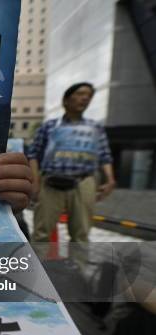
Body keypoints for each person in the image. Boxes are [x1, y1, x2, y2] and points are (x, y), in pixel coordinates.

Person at [28, 82, 116, 244]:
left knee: (81, 234)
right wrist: (35, 182)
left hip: (84, 182)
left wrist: (110, 180)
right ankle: (37, 268)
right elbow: (33, 154)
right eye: (80, 94)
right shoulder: (49, 126)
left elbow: (105, 155)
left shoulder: (95, 128)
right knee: (41, 233)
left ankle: (79, 268)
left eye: (89, 96)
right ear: (66, 100)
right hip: (50, 182)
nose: (85, 98)